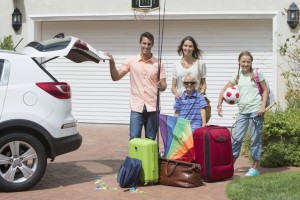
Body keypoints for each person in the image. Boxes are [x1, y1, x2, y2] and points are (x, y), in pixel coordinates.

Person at [106, 32, 167, 140]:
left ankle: (149, 158)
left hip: (153, 106)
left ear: (152, 45)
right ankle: (135, 158)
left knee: (151, 139)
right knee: (134, 138)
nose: (146, 46)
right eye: (144, 43)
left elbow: (164, 85)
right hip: (136, 107)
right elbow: (116, 77)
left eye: (149, 44)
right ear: (140, 43)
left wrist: (160, 85)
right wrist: (112, 63)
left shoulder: (159, 63)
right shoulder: (131, 61)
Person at [217, 51, 269, 176]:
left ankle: (255, 166)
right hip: (243, 112)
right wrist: (219, 104)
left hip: (256, 111)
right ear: (239, 62)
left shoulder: (256, 74)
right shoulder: (237, 75)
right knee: (236, 138)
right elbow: (224, 90)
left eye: (248, 62)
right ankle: (231, 164)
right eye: (243, 61)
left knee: (255, 138)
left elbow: (265, 90)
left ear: (251, 62)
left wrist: (262, 106)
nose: (245, 64)